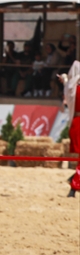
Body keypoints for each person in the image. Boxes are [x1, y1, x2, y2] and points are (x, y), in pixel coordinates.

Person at [58, 61, 80, 197]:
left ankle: (74, 180)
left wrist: (65, 79)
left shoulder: (72, 87)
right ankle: (74, 184)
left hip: (76, 123)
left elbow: (68, 85)